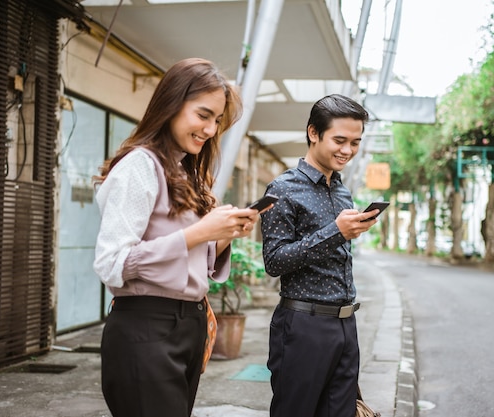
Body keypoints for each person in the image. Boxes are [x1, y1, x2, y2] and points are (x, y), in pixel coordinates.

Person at [93, 58, 262, 417]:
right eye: (203, 115)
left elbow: (190, 257)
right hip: (147, 327)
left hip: (187, 326)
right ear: (171, 103)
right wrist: (200, 231)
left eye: (217, 120)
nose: (211, 129)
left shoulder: (185, 173)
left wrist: (223, 235)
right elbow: (112, 264)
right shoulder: (140, 165)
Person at [260, 94, 379, 417]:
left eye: (355, 142)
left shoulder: (342, 191)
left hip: (346, 323)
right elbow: (274, 261)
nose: (347, 150)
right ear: (314, 133)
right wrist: (335, 232)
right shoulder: (283, 189)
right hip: (302, 326)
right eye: (339, 140)